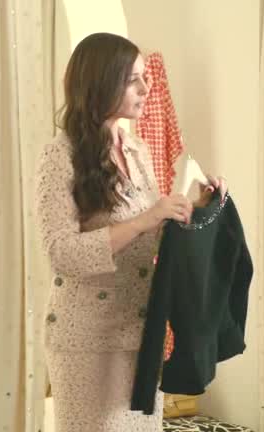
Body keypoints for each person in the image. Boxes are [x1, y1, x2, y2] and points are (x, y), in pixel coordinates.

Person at [35, 32, 225, 432]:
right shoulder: (60, 155)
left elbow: (152, 235)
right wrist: (144, 219)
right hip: (85, 340)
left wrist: (196, 207)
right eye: (133, 79)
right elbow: (62, 253)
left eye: (145, 77)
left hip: (140, 333)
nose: (146, 88)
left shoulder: (136, 150)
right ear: (102, 82)